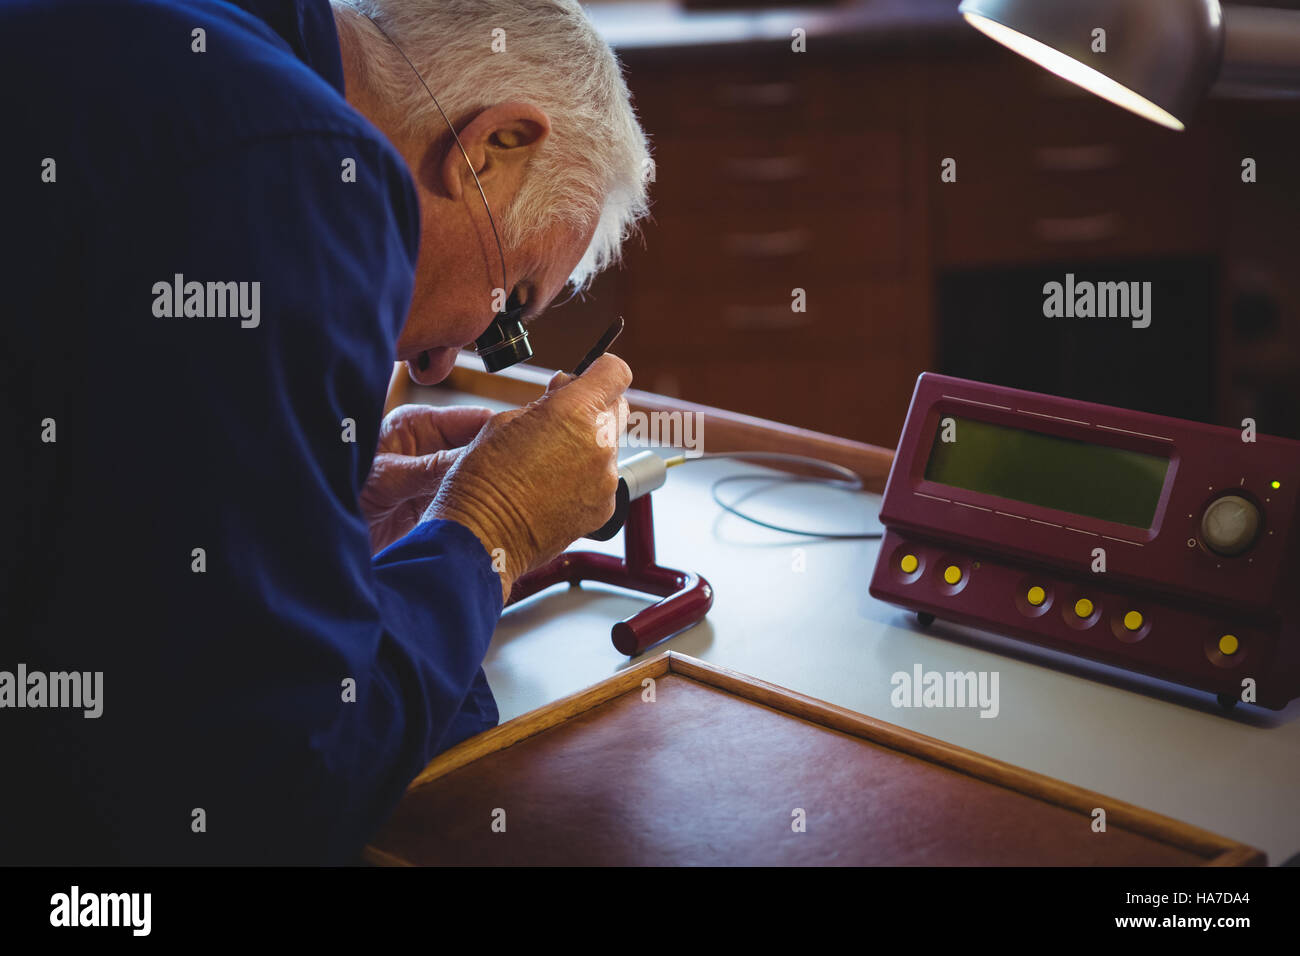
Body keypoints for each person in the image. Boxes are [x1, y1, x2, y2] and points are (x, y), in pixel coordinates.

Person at [0, 0, 650, 864]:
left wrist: (308, 502)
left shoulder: (194, 41)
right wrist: (491, 529)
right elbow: (271, 787)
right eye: (509, 309)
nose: (439, 363)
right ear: (490, 149)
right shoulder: (304, 168)